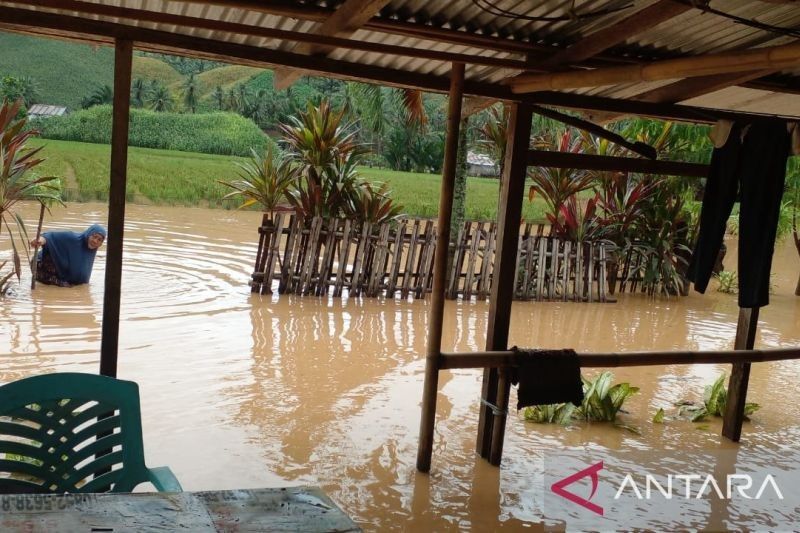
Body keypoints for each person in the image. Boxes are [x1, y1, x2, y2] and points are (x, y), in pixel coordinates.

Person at [30, 224, 106, 287]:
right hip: (40, 264)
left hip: (59, 269)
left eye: (99, 240)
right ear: (89, 234)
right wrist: (40, 240)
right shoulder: (72, 238)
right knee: (65, 287)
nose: (95, 241)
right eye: (94, 236)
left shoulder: (91, 250)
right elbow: (49, 236)